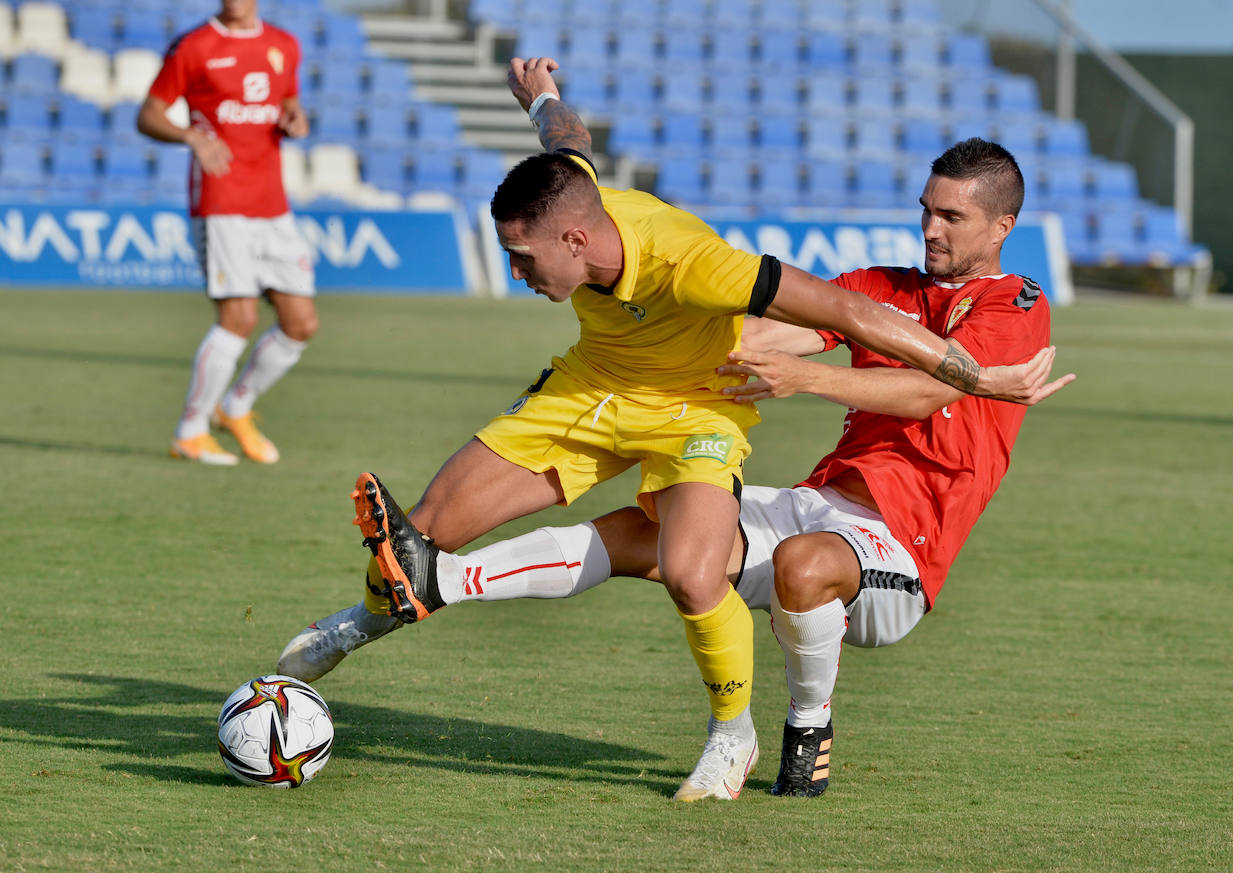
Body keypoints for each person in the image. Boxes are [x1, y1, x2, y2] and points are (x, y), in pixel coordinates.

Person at [278, 58, 1070, 801]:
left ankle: (802, 721)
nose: (930, 229)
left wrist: (925, 377)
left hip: (903, 542)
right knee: (604, 534)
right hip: (795, 484)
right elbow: (576, 154)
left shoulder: (1016, 303)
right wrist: (544, 98)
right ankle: (411, 592)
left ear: (1002, 226)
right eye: (925, 210)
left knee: (780, 565)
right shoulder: (883, 279)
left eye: (952, 217)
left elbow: (918, 386)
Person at [139, 0, 317, 466]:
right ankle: (190, 432)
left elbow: (289, 103)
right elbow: (149, 114)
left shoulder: (284, 45)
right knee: (237, 317)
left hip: (273, 204)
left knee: (301, 324)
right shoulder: (194, 47)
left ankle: (235, 406)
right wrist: (191, 136)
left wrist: (296, 119)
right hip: (220, 200)